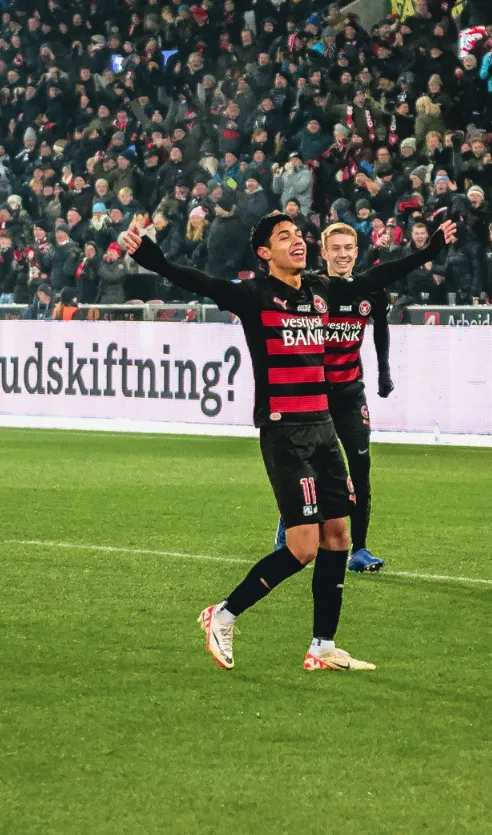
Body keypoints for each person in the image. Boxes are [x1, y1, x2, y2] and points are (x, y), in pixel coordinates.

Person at [125, 214, 456, 672]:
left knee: (338, 536)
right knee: (302, 547)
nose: (297, 242)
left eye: (299, 236)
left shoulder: (322, 291)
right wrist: (154, 259)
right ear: (265, 253)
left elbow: (378, 277)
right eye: (285, 238)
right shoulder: (252, 296)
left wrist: (427, 254)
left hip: (323, 428)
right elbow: (196, 280)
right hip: (285, 434)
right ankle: (222, 615)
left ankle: (322, 646)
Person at [274, 222, 393, 573]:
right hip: (313, 394)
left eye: (348, 248)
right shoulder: (310, 288)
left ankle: (360, 549)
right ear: (324, 253)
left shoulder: (371, 290)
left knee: (360, 467)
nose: (342, 254)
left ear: (356, 252)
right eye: (335, 249)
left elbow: (381, 331)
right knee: (308, 466)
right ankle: (290, 522)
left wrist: (384, 373)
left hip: (350, 392)